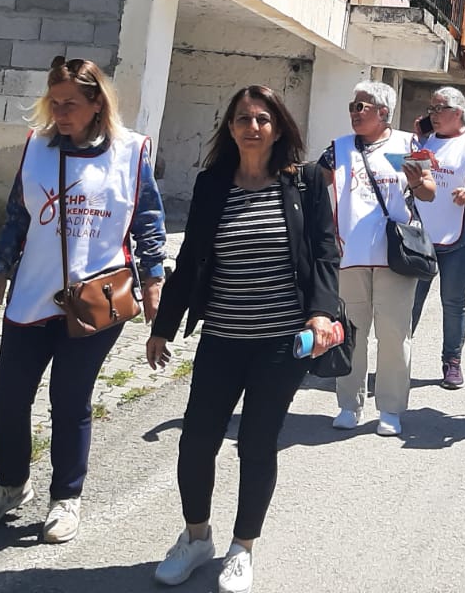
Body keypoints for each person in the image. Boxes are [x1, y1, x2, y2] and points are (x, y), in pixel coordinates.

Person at [149, 85, 341, 593]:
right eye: (242, 119)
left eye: (262, 119)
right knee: (196, 442)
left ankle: (242, 548)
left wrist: (320, 313)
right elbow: (191, 258)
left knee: (256, 444)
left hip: (280, 343)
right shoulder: (213, 184)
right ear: (230, 128)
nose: (252, 127)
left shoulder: (305, 181)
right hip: (222, 337)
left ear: (278, 128)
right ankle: (196, 538)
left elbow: (325, 252)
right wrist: (164, 325)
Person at [0, 57, 166, 542]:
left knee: (70, 397)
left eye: (70, 104)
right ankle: (11, 485)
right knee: (10, 395)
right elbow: (18, 215)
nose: (59, 113)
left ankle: (66, 498)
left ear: (97, 103)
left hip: (96, 298)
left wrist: (153, 281)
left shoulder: (130, 151)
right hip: (33, 293)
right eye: (54, 103)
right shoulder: (36, 147)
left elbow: (148, 222)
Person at [320, 80, 434, 437]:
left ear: (383, 112)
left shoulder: (407, 144)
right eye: (352, 106)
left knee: (394, 335)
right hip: (349, 254)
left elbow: (429, 192)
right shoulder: (338, 148)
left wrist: (417, 181)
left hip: (395, 256)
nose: (354, 112)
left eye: (362, 106)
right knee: (349, 334)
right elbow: (313, 183)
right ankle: (348, 404)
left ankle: (390, 408)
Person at [408, 86, 465, 391]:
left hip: (462, 239)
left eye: (440, 109)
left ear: (458, 112)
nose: (433, 115)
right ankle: (398, 358)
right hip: (421, 237)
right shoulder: (424, 140)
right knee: (410, 301)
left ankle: (452, 362)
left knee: (453, 302)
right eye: (431, 109)